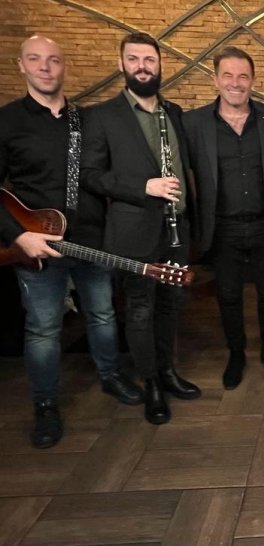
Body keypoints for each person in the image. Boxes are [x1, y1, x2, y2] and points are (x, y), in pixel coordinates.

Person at [0, 35, 143, 449]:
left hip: (91, 241)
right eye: (35, 59)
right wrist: (19, 236)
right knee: (43, 330)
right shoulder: (7, 121)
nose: (45, 68)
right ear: (21, 66)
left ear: (64, 66)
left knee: (102, 315)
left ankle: (110, 375)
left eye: (53, 60)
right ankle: (45, 404)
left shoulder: (86, 120)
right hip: (37, 245)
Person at [80, 32, 201, 425]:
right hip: (134, 231)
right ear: (121, 65)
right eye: (133, 59)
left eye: (149, 59)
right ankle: (150, 383)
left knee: (170, 306)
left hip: (176, 229)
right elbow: (90, 175)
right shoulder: (102, 116)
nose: (142, 67)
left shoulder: (174, 113)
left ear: (160, 65)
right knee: (139, 310)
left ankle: (167, 371)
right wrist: (143, 187)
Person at [184, 47, 264, 390]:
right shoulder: (193, 123)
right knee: (228, 295)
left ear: (252, 81)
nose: (235, 83)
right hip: (222, 226)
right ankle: (236, 354)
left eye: (243, 76)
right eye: (227, 75)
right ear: (215, 79)